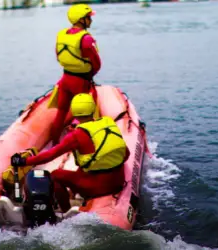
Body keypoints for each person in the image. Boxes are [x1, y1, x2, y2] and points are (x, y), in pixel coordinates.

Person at [11, 94, 130, 213]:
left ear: (73, 112)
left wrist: (23, 161)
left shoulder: (75, 136)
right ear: (94, 109)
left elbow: (50, 155)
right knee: (91, 163)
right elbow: (126, 154)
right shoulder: (108, 123)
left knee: (56, 175)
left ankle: (66, 211)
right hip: (117, 182)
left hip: (96, 188)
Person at [48, 3, 102, 145]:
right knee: (84, 115)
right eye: (88, 17)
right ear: (81, 19)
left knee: (61, 112)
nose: (91, 20)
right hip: (81, 81)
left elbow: (58, 55)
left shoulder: (61, 35)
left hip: (65, 79)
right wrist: (90, 75)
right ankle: (79, 144)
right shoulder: (86, 39)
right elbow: (96, 63)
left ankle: (55, 142)